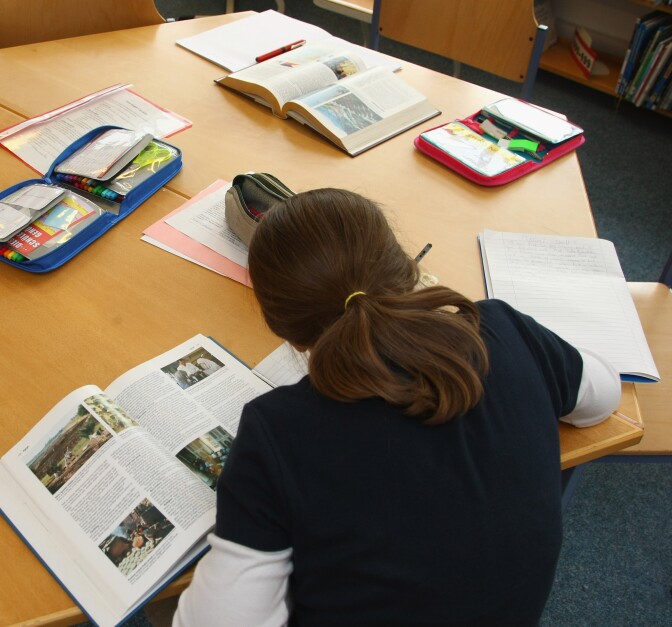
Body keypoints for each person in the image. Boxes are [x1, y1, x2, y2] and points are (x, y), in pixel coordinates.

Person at [174, 189, 621, 626]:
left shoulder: (279, 429)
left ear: (286, 332)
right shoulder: (502, 329)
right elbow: (603, 395)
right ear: (407, 269)